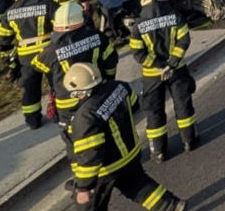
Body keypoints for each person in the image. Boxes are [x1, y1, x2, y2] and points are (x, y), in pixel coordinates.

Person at [62, 62, 187, 211]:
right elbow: (134, 103)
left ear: (78, 92)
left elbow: (90, 156)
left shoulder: (84, 117)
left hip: (108, 167)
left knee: (90, 205)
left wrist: (84, 187)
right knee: (138, 186)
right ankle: (172, 206)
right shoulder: (119, 87)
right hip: (130, 152)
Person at [128, 0, 198, 161]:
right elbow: (184, 40)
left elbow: (137, 53)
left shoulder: (138, 25)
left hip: (152, 76)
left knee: (154, 111)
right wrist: (171, 63)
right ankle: (189, 141)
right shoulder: (175, 17)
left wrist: (158, 65)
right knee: (183, 104)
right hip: (177, 70)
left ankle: (158, 151)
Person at [33, 1, 119, 143]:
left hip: (67, 104)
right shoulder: (98, 37)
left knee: (74, 138)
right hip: (96, 92)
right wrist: (109, 81)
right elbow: (111, 61)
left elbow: (37, 66)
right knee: (104, 128)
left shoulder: (50, 51)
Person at [0, 0, 57, 129]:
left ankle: (32, 120)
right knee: (57, 82)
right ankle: (59, 113)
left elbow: (3, 38)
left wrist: (9, 60)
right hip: (48, 52)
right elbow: (62, 24)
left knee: (30, 88)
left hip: (25, 57)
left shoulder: (10, 11)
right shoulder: (48, 5)